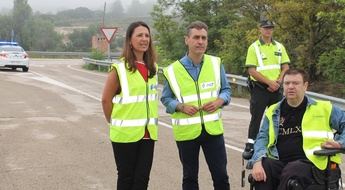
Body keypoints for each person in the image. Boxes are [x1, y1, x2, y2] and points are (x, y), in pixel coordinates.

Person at [160, 21, 231, 190]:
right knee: (190, 178)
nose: (200, 41)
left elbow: (226, 90)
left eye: (204, 38)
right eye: (196, 37)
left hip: (213, 130)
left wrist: (219, 101)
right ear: (187, 40)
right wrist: (180, 106)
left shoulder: (216, 63)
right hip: (186, 133)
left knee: (221, 175)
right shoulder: (172, 70)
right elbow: (166, 99)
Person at [247, 68, 345, 190]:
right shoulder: (273, 111)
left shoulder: (323, 108)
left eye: (295, 83)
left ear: (305, 86)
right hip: (280, 161)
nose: (291, 87)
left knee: (292, 170)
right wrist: (257, 162)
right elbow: (262, 138)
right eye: (287, 83)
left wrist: (340, 143)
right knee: (265, 168)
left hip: (312, 163)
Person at [101, 21, 158, 190]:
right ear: (130, 40)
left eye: (147, 35)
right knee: (126, 178)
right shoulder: (119, 68)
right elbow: (105, 100)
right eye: (139, 35)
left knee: (142, 180)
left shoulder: (153, 68)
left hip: (148, 134)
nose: (144, 39)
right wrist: (115, 122)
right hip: (124, 135)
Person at [243, 19, 290, 159]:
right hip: (260, 88)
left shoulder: (279, 47)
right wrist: (269, 82)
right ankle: (250, 144)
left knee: (279, 117)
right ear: (260, 29)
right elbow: (252, 70)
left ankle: (278, 142)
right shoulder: (254, 47)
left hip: (276, 88)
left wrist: (279, 80)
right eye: (265, 28)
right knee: (257, 117)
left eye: (270, 28)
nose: (268, 30)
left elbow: (285, 67)